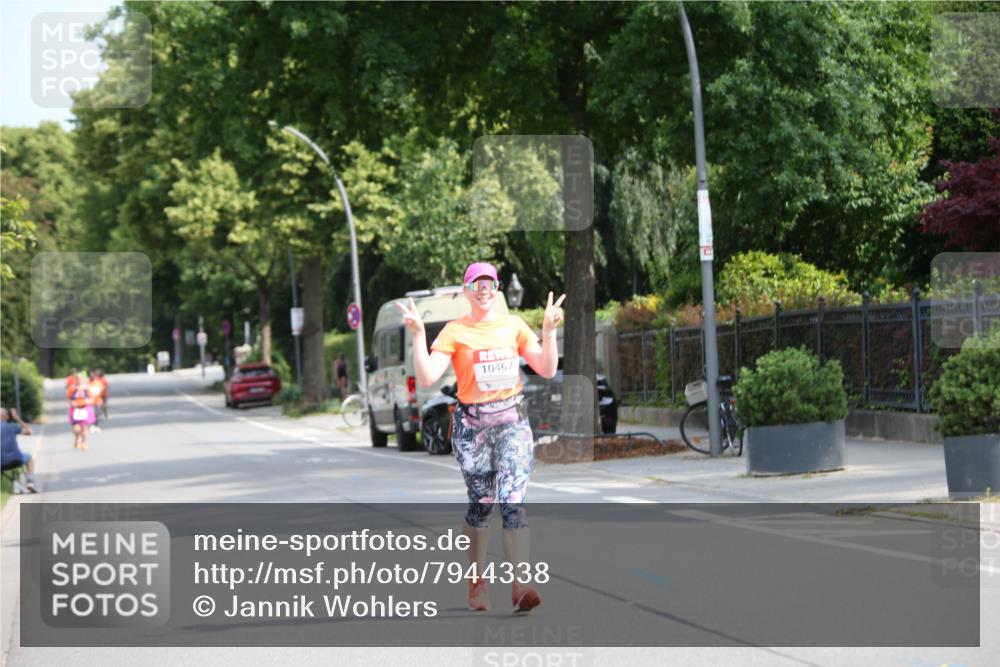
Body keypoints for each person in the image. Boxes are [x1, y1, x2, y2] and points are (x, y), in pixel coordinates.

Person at [396, 261, 564, 613]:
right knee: (482, 505)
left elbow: (546, 369)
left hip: (512, 424)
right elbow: (427, 377)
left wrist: (548, 333)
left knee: (513, 501)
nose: (484, 288)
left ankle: (519, 585)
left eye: (490, 283)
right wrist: (416, 336)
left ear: (498, 289)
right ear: (467, 290)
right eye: (477, 283)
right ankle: (477, 581)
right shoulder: (454, 331)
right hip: (473, 429)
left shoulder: (514, 326)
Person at [1, 407, 38, 493]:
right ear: (7, 417)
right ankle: (30, 481)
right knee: (28, 457)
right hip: (16, 460)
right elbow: (29, 432)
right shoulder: (12, 426)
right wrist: (16, 418)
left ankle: (16, 484)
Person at [67, 373, 95, 450]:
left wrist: (87, 401)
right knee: (76, 428)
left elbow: (92, 398)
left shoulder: (87, 388)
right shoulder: (72, 388)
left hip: (85, 409)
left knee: (84, 427)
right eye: (78, 379)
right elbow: (69, 399)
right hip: (75, 409)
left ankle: (84, 442)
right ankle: (77, 438)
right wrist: (72, 403)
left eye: (81, 379)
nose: (79, 380)